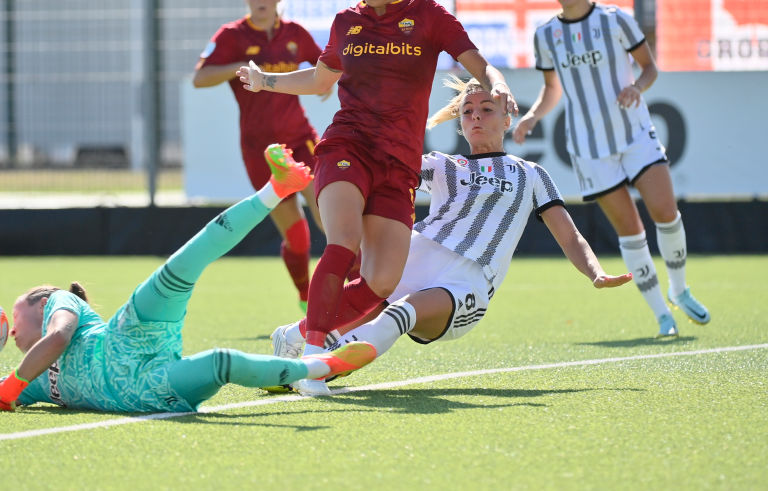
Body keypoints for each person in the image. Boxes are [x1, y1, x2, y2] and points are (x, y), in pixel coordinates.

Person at [237, 0, 518, 395]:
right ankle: (311, 363)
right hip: (348, 146)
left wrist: (499, 83)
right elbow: (321, 80)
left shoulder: (429, 16)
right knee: (342, 240)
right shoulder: (347, 23)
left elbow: (478, 62)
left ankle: (295, 337)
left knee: (381, 284)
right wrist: (268, 82)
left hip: (399, 163)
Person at [0, 145, 377, 413]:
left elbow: (60, 337)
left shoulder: (60, 308)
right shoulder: (34, 384)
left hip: (130, 332)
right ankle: (323, 367)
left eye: (14, 311)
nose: (8, 326)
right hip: (150, 387)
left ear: (41, 300)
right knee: (220, 363)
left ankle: (277, 189)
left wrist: (8, 387)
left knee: (183, 263)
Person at [271, 76, 633, 389]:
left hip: (467, 281)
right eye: (468, 110)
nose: (476, 116)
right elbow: (384, 169)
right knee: (342, 321)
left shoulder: (532, 175)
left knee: (402, 314)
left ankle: (314, 366)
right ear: (460, 123)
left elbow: (570, 236)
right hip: (412, 258)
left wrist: (595, 272)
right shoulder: (443, 166)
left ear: (508, 118)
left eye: (487, 109)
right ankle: (293, 348)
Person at [512, 0, 709, 337]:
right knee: (630, 231)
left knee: (665, 212)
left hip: (634, 133)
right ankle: (661, 316)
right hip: (589, 147)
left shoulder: (615, 20)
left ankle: (680, 288)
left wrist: (636, 87)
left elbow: (649, 67)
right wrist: (534, 114)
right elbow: (552, 89)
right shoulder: (546, 34)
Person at [193, 0, 331, 310]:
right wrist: (240, 68)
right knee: (297, 238)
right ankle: (305, 297)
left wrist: (328, 82)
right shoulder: (232, 35)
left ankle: (357, 293)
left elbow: (325, 64)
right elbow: (200, 77)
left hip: (302, 139)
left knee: (330, 215)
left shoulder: (295, 33)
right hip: (262, 151)